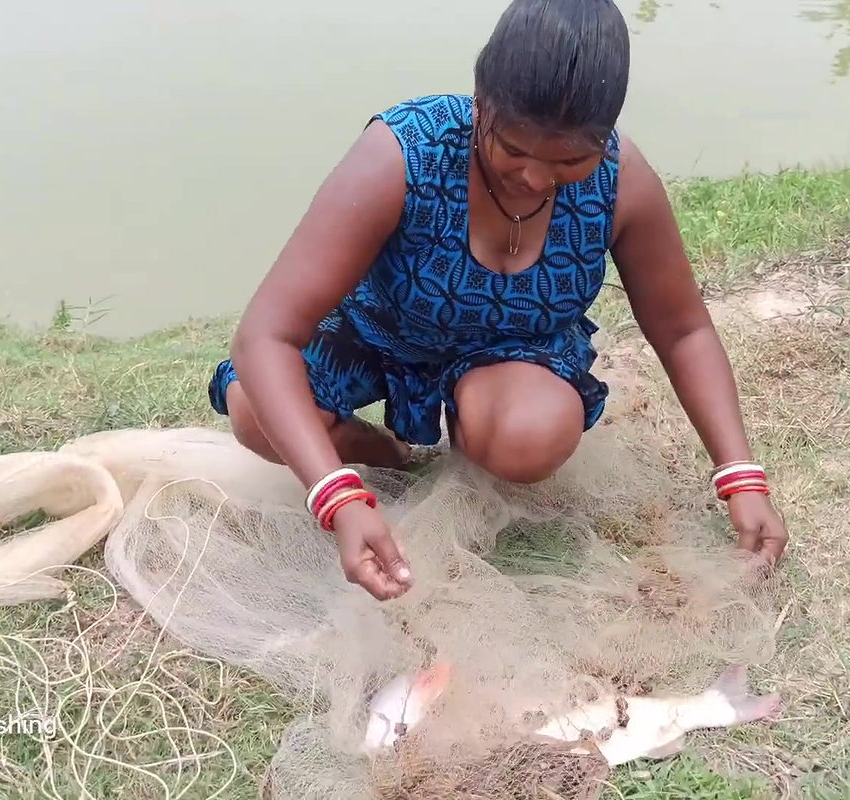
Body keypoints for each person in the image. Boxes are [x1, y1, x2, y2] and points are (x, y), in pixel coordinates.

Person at [209, 0, 789, 601]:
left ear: (606, 136)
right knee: (256, 409)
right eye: (513, 148)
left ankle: (474, 443)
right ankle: (383, 455)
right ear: (481, 102)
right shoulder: (403, 154)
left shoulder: (623, 182)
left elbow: (682, 329)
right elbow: (265, 336)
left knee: (530, 435)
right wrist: (336, 494)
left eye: (571, 160)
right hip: (381, 332)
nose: (536, 178)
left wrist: (740, 477)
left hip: (515, 353)